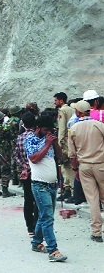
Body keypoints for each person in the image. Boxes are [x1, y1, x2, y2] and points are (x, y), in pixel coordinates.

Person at [25, 115, 67, 262]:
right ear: (38, 128)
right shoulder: (30, 139)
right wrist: (47, 144)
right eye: (46, 129)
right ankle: (53, 250)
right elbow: (34, 159)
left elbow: (60, 157)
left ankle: (36, 242)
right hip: (39, 185)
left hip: (52, 185)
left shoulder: (50, 139)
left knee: (44, 216)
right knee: (48, 217)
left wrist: (54, 144)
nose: (49, 132)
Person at [68, 100, 104, 242]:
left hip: (84, 166)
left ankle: (96, 232)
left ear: (78, 112)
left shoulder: (74, 129)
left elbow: (72, 154)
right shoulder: (100, 125)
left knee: (92, 200)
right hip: (101, 165)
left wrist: (75, 169)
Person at [13, 112, 38, 237]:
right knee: (37, 200)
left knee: (28, 199)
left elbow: (15, 155)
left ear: (23, 124)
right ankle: (38, 225)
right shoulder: (36, 137)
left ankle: (30, 228)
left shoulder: (20, 137)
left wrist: (23, 166)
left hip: (24, 173)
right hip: (36, 172)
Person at [53, 92, 75, 202]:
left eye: (56, 100)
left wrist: (59, 142)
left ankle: (70, 189)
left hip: (64, 141)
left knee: (66, 166)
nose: (54, 102)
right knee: (69, 165)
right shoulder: (72, 109)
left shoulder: (62, 110)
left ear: (61, 100)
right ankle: (68, 189)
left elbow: (62, 128)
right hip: (71, 139)